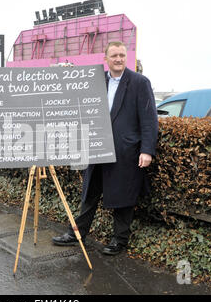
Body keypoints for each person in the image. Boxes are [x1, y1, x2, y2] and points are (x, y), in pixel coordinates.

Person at [52, 41, 159, 255]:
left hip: (125, 152)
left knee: (123, 198)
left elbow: (150, 120)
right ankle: (76, 234)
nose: (118, 59)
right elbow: (78, 98)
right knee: (89, 194)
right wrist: (68, 76)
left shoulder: (139, 82)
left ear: (126, 57)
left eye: (121, 55)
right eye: (114, 56)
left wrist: (147, 150)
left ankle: (119, 241)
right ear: (106, 59)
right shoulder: (97, 80)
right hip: (97, 148)